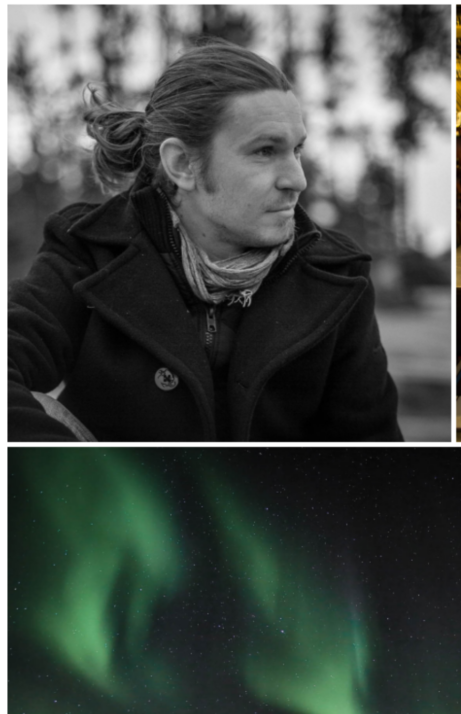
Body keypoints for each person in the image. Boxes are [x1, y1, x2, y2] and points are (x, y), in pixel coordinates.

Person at [9, 39, 403, 442]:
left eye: (296, 150)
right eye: (265, 151)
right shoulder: (88, 251)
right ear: (182, 164)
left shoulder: (337, 278)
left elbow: (377, 466)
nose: (297, 180)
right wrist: (90, 485)